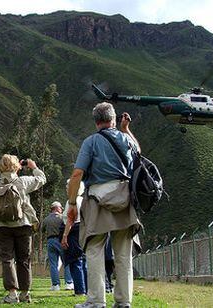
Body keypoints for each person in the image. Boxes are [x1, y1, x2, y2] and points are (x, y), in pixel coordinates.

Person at [67, 102, 141, 308]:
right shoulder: (126, 139)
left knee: (94, 250)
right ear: (113, 119)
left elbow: (77, 174)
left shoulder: (91, 142)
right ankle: (123, 301)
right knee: (123, 254)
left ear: (96, 121)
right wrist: (126, 130)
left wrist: (72, 202)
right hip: (125, 199)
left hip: (97, 201)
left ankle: (96, 301)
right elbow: (138, 152)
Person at [0, 155, 46, 304]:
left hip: (1, 225)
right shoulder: (23, 181)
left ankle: (12, 294)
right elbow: (42, 179)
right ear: (16, 167)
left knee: (7, 259)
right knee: (24, 260)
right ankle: (25, 293)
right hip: (23, 225)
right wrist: (33, 167)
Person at [61, 180, 87, 296]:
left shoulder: (72, 201)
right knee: (83, 261)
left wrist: (64, 236)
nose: (66, 187)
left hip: (73, 231)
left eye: (68, 186)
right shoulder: (83, 200)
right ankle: (86, 288)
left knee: (74, 261)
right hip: (83, 230)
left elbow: (69, 220)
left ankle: (80, 290)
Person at [42, 201, 74, 291]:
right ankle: (69, 283)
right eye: (60, 208)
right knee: (66, 262)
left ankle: (55, 285)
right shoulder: (62, 218)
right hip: (61, 240)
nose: (61, 209)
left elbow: (42, 230)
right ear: (57, 208)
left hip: (50, 241)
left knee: (53, 264)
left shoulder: (46, 219)